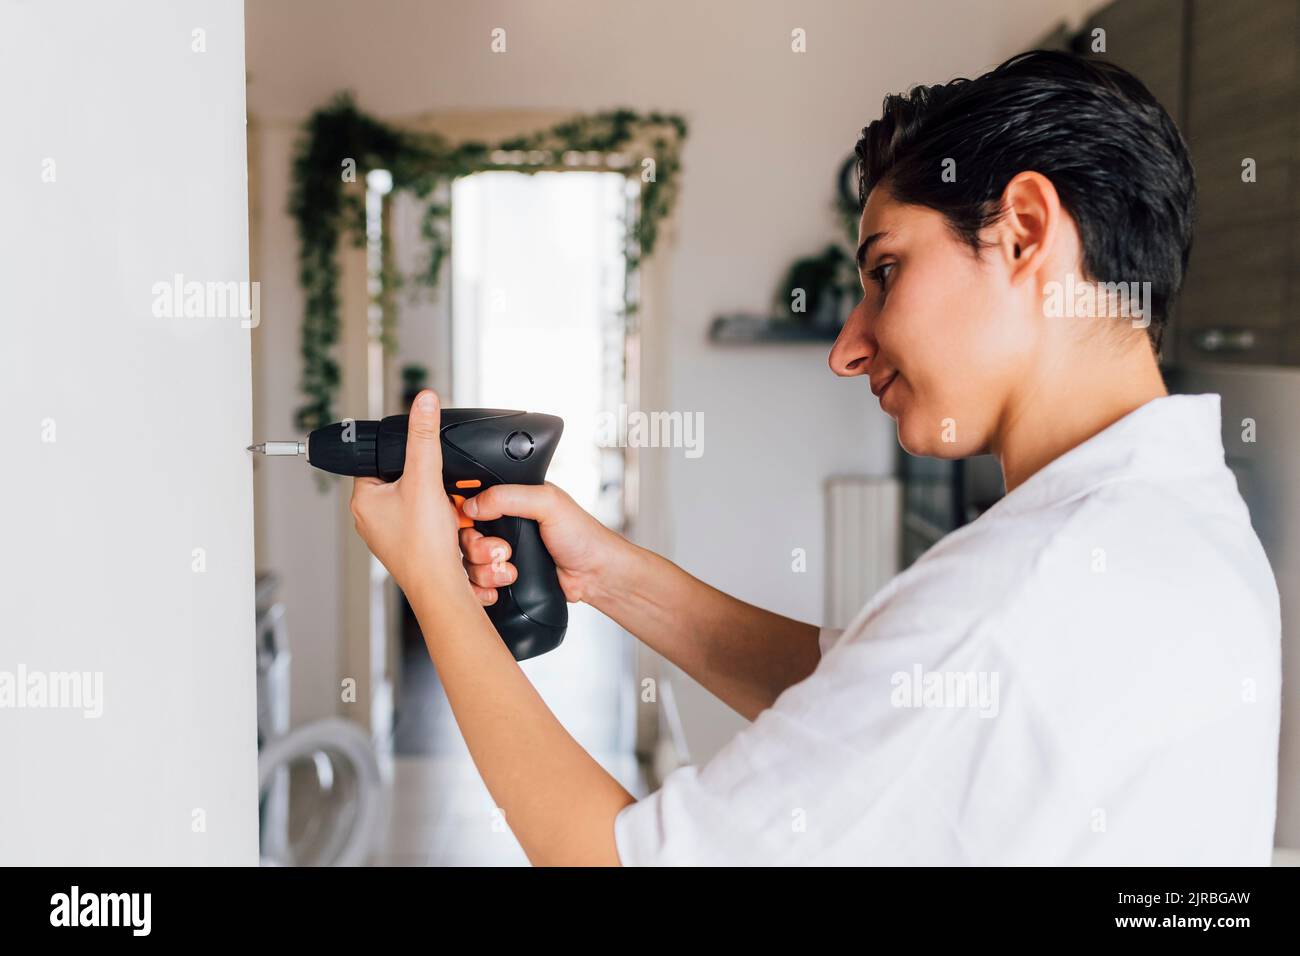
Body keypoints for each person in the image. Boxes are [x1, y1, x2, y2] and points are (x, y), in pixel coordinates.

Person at [350, 51, 1280, 865]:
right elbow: (877, 704)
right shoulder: (1187, 522)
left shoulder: (1019, 595)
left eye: (886, 272)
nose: (847, 348)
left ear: (1026, 231)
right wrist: (611, 576)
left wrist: (433, 587)